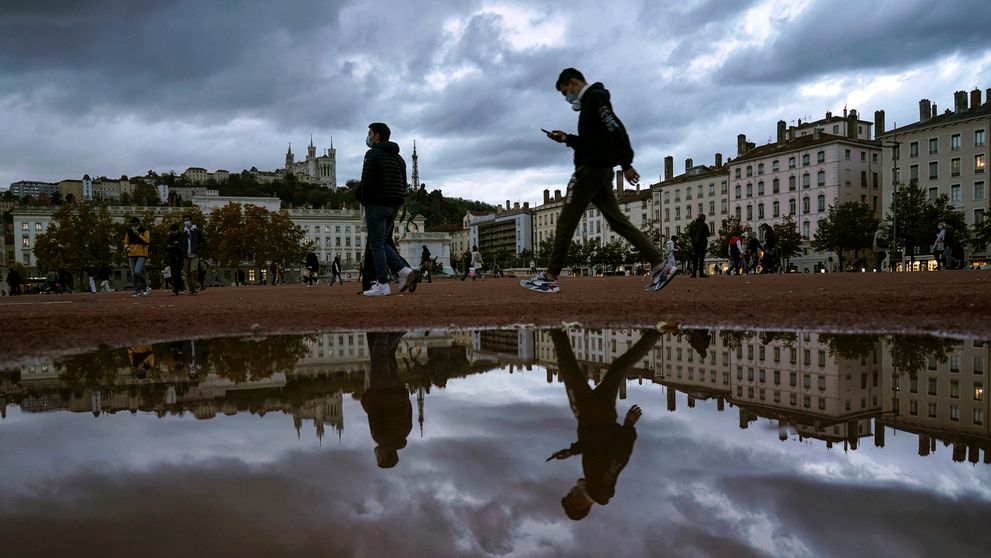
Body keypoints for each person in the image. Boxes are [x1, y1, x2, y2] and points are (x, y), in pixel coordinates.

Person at [522, 68, 672, 293]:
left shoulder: (595, 98)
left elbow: (615, 128)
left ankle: (550, 276)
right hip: (601, 172)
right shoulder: (592, 102)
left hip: (589, 172)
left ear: (573, 83)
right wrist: (567, 139)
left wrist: (627, 163)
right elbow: (594, 141)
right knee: (618, 222)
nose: (566, 98)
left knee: (565, 222)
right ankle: (660, 265)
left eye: (566, 92)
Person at [546, 328, 660, 520]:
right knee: (569, 370)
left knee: (618, 368)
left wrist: (572, 451)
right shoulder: (600, 486)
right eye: (572, 496)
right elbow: (619, 458)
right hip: (591, 418)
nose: (572, 491)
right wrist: (628, 426)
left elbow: (596, 448)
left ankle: (657, 332)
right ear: (580, 504)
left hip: (604, 419)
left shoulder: (595, 483)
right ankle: (556, 328)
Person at [357, 122, 420, 296]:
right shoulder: (399, 158)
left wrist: (364, 202)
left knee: (375, 244)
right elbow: (404, 182)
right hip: (394, 205)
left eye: (370, 133)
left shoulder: (372, 154)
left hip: (377, 204)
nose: (369, 136)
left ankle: (383, 284)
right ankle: (404, 271)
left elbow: (367, 181)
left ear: (376, 135)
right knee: (382, 242)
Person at [361, 331, 412, 468]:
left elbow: (409, 410)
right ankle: (389, 325)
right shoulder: (380, 437)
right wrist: (364, 400)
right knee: (379, 350)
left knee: (387, 353)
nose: (376, 456)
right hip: (381, 390)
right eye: (379, 459)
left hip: (397, 389)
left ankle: (400, 328)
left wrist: (402, 394)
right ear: (385, 456)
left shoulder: (405, 433)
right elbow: (374, 412)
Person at [124, 216, 150, 297]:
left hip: (141, 254)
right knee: (133, 274)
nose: (134, 227)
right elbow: (126, 242)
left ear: (138, 224)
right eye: (132, 225)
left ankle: (145, 287)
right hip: (131, 254)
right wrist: (127, 248)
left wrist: (139, 235)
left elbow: (147, 241)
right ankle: (137, 291)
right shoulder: (128, 232)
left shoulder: (144, 231)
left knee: (137, 271)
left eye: (135, 225)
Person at [179, 214, 204, 295]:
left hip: (195, 255)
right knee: (188, 273)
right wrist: (182, 250)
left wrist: (197, 247)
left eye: (187, 220)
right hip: (186, 256)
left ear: (191, 221)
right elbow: (180, 243)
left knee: (194, 270)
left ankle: (196, 286)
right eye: (185, 220)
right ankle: (191, 289)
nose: (186, 222)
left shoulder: (197, 231)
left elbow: (203, 241)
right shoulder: (183, 233)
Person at [166, 223, 184, 295]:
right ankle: (180, 287)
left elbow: (183, 248)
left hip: (180, 257)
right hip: (172, 257)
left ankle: (176, 289)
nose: (173, 232)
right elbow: (166, 246)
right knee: (174, 273)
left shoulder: (181, 236)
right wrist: (170, 246)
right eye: (172, 231)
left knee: (177, 273)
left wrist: (177, 245)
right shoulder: (169, 237)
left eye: (175, 230)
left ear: (178, 230)